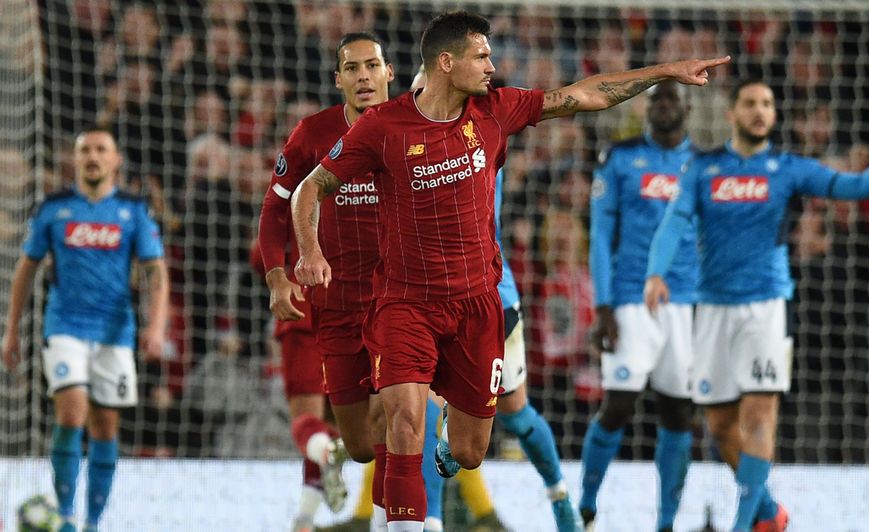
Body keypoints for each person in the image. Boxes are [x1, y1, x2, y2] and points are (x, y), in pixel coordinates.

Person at [292, 11, 728, 531]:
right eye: (482, 55)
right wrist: (309, 252)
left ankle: (463, 435)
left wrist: (663, 70)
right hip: (403, 303)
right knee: (405, 423)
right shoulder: (382, 128)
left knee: (472, 452)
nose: (492, 65)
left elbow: (585, 95)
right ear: (446, 63)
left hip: (479, 303)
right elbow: (309, 189)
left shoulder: (496, 111)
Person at [644, 79, 869, 532]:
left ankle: (745, 524)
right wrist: (656, 273)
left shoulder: (788, 168)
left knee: (759, 417)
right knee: (719, 428)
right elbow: (675, 222)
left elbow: (857, 187)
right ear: (732, 114)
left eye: (767, 104)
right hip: (712, 308)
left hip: (767, 307)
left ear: (774, 116)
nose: (759, 111)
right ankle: (770, 513)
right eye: (750, 103)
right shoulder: (703, 168)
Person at [410, 64, 579, 531]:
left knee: (517, 416)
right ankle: (431, 522)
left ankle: (560, 497)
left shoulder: (477, 134)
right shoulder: (403, 141)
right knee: (425, 410)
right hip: (430, 305)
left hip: (490, 301)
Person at [256, 33, 393, 531]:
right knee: (360, 445)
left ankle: (390, 523)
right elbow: (274, 207)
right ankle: (331, 459)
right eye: (352, 68)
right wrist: (276, 277)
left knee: (394, 422)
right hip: (333, 306)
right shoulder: (313, 135)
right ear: (338, 79)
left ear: (388, 73)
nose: (363, 76)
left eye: (371, 66)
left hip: (397, 302)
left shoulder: (413, 126)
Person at [2, 128, 169, 532]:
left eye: (101, 150)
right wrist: (11, 331)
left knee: (104, 426)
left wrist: (157, 325)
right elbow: (26, 270)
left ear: (115, 161)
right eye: (85, 150)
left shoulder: (133, 211)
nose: (92, 157)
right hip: (65, 327)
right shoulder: (54, 209)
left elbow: (156, 273)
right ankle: (63, 516)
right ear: (74, 160)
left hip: (115, 332)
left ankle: (92, 522)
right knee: (72, 411)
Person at [581, 81, 697, 532]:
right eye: (657, 99)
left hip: (686, 303)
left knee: (677, 412)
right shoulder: (620, 160)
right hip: (630, 300)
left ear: (687, 106)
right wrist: (604, 305)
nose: (664, 106)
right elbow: (598, 236)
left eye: (672, 99)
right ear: (647, 107)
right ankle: (586, 505)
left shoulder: (703, 166)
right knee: (619, 403)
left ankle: (666, 521)